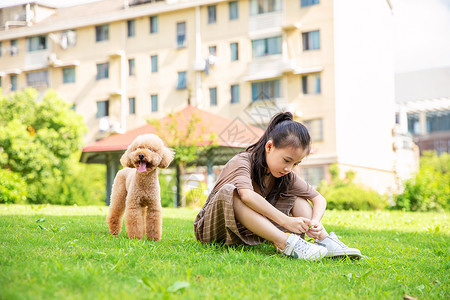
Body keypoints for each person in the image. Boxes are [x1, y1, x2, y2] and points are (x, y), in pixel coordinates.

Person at [194, 112, 362, 260]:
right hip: (213, 229)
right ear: (269, 146)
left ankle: (324, 241)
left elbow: (318, 198)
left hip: (248, 232)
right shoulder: (242, 161)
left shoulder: (285, 175)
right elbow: (247, 195)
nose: (289, 168)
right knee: (232, 192)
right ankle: (286, 243)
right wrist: (286, 221)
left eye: (296, 163)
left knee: (296, 196)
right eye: (287, 160)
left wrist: (315, 222)